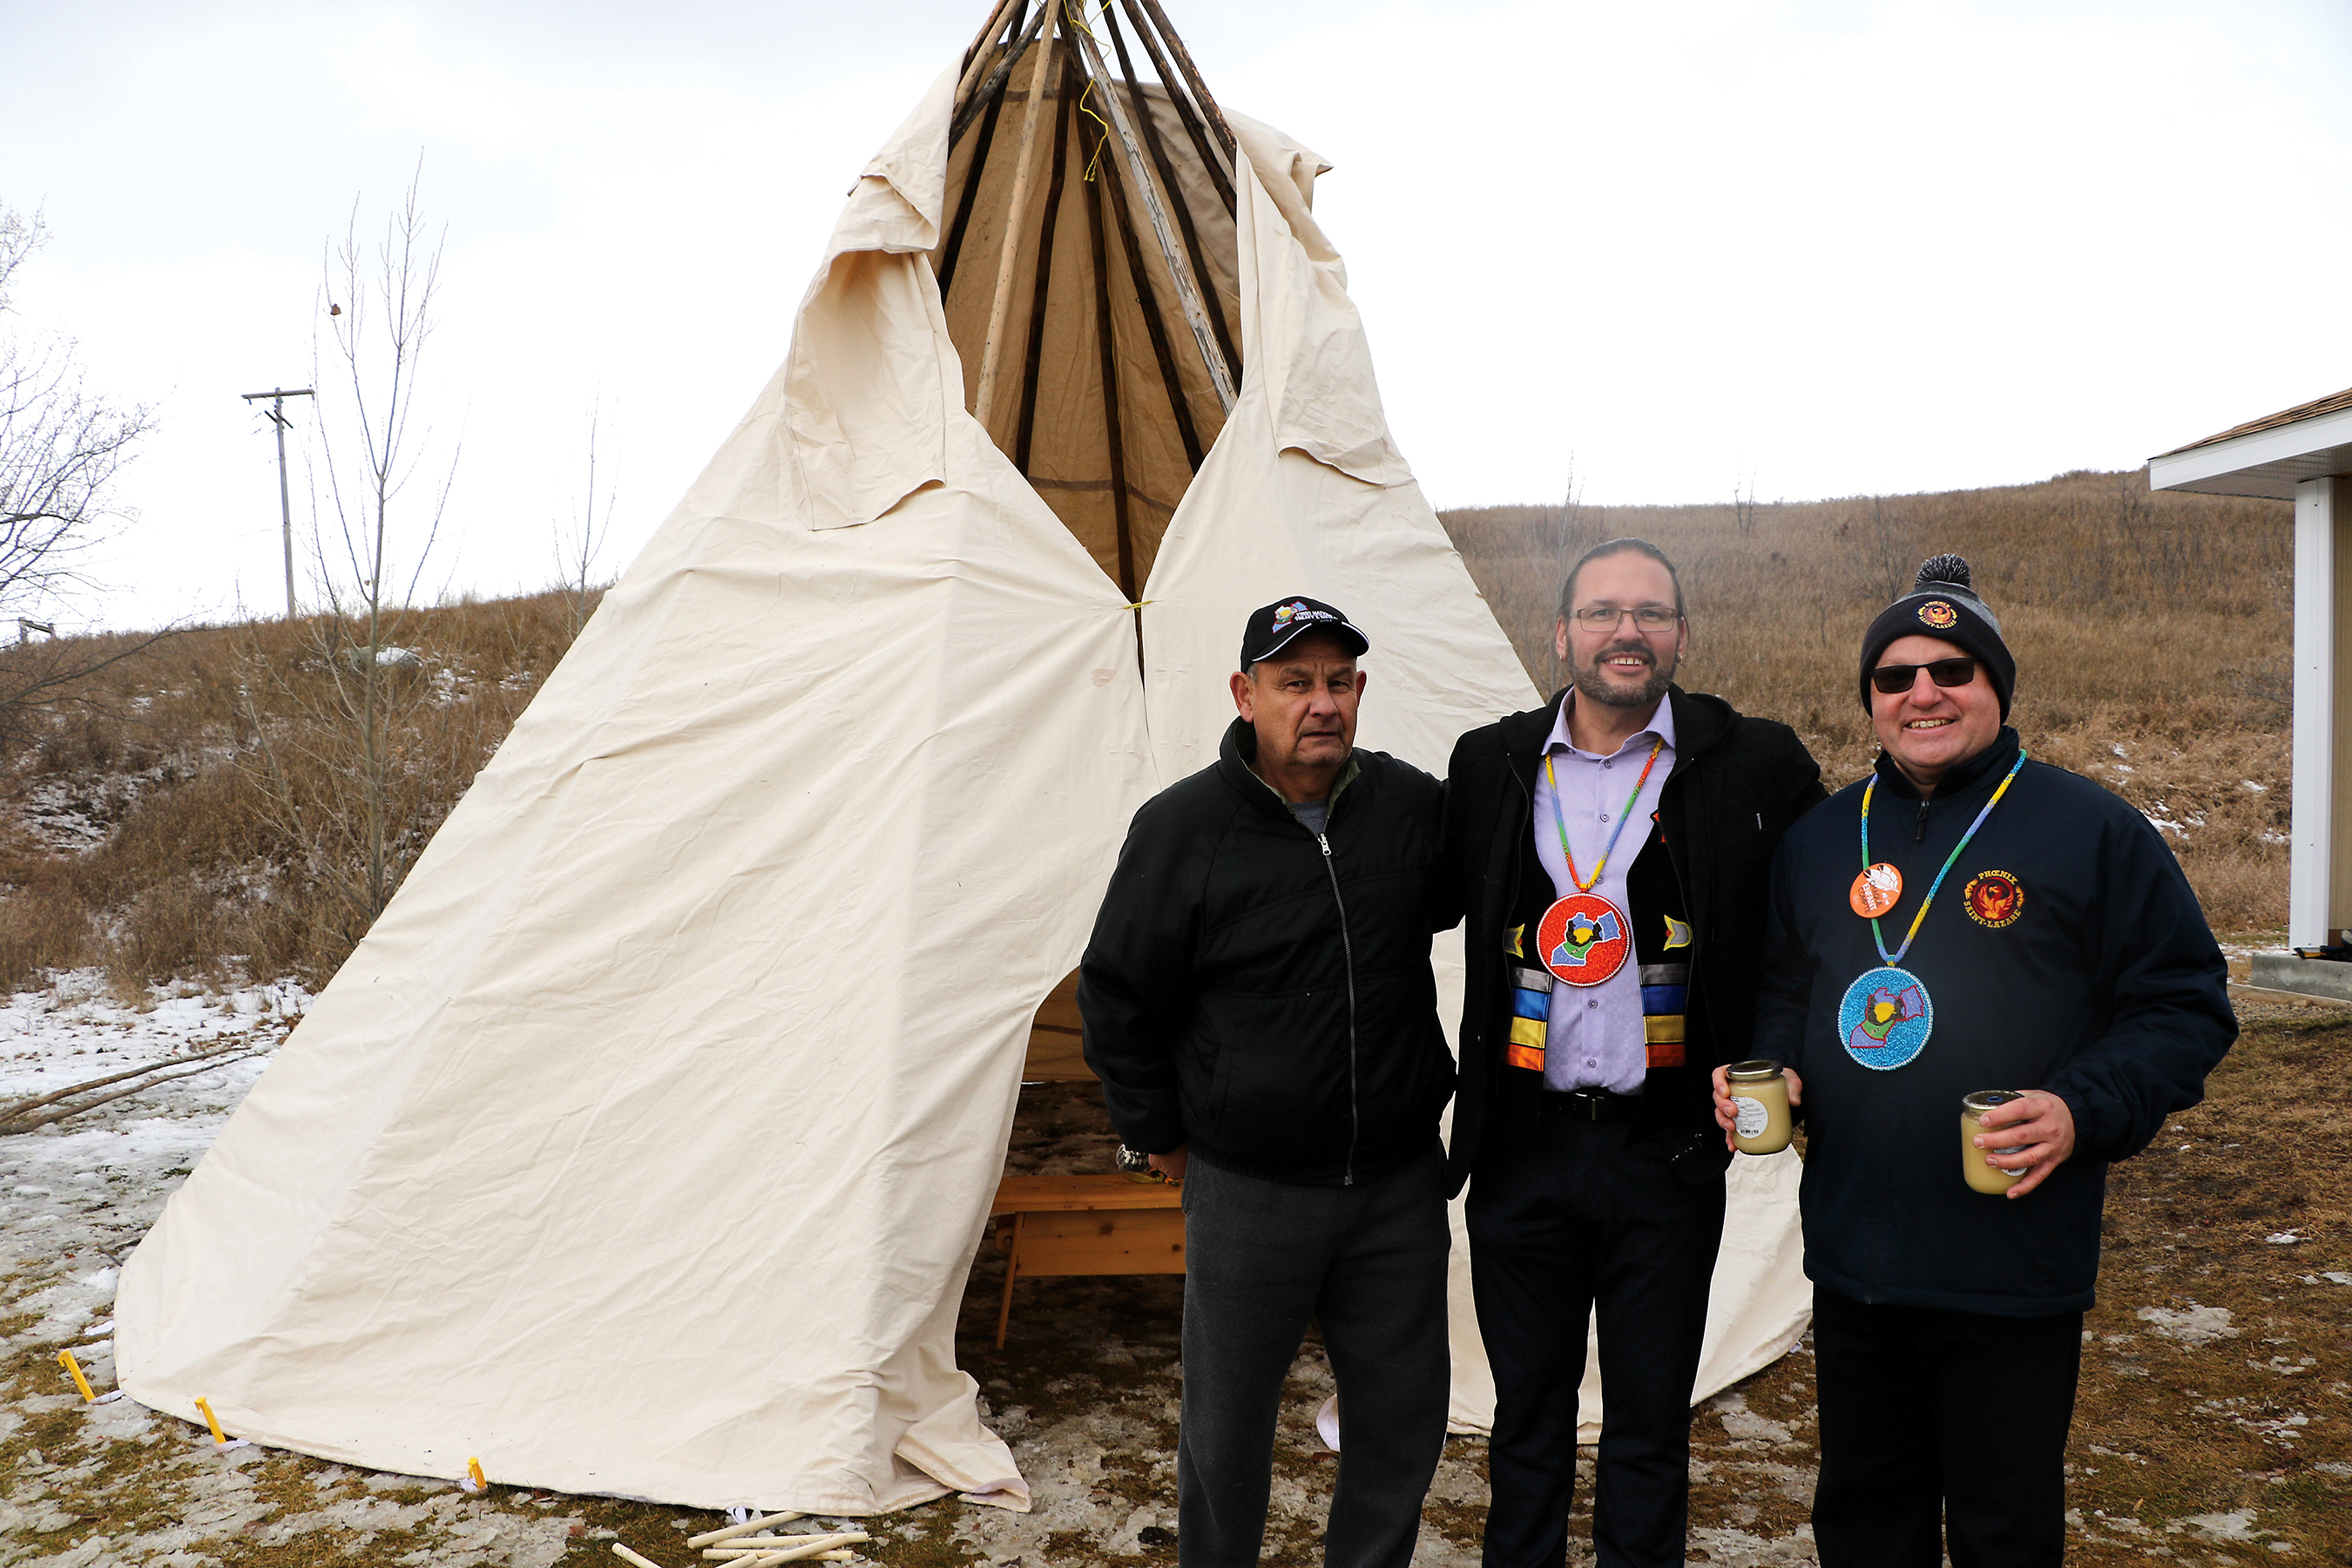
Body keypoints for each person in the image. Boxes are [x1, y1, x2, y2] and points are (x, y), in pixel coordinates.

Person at [1715, 554, 2236, 1567]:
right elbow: (1783, 986)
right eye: (1896, 676)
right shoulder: (1825, 840)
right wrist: (1774, 1061)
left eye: (1954, 670)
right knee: (1867, 1519)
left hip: (2011, 1252)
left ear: (1997, 687)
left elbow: (2184, 1005)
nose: (1925, 693)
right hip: (1857, 1250)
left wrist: (2083, 1107)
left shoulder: (2090, 830)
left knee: (2004, 1525)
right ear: (1871, 701)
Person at [1441, 538, 1825, 1568]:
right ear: (1560, 633)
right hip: (1524, 1148)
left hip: (1666, 1154)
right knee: (1527, 1426)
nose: (1628, 631)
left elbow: (1822, 921)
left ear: (1681, 638)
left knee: (1650, 1429)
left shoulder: (1753, 760)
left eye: (1651, 614)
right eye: (1603, 612)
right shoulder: (1493, 761)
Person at [1079, 595, 1455, 1568]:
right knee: (1226, 1433)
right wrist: (1161, 1134)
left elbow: (1488, 906)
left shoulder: (1411, 809)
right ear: (1247, 696)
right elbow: (1119, 995)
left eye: (1337, 682)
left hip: (1396, 1188)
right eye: (1295, 683)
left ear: (1361, 692)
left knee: (1400, 1425)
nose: (1320, 703)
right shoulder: (1181, 830)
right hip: (1250, 1192)